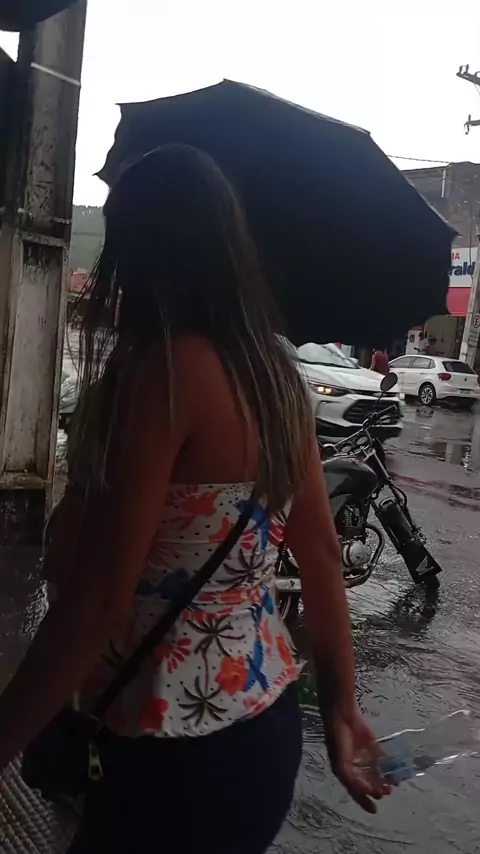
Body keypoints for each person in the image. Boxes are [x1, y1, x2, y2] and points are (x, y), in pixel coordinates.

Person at [0, 145, 390, 853]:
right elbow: (322, 555)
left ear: (143, 249)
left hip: (170, 749)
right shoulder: (276, 377)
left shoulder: (164, 376)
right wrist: (341, 711)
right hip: (262, 728)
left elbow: (97, 602)